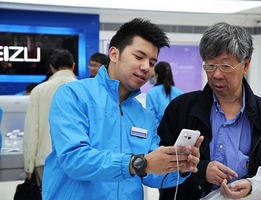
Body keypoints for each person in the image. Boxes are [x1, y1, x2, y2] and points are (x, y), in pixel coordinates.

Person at [42, 18, 203, 200]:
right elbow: (75, 160)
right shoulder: (73, 95)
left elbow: (150, 174)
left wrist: (177, 168)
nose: (146, 68)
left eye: (152, 63)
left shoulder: (144, 116)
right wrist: (138, 163)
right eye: (139, 57)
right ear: (113, 54)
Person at [157, 22, 261, 200]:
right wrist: (202, 171)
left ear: (245, 65)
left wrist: (252, 187)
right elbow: (158, 169)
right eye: (210, 66)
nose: (216, 74)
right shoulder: (181, 109)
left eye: (225, 66)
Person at [23, 48, 77, 187]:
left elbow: (32, 130)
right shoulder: (85, 90)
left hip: (45, 159)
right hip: (78, 159)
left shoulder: (39, 90)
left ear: (52, 68)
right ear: (73, 66)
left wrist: (29, 165)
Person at [146, 61, 183, 127]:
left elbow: (151, 118)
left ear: (157, 75)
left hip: (158, 132)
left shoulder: (151, 93)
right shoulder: (179, 92)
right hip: (176, 132)